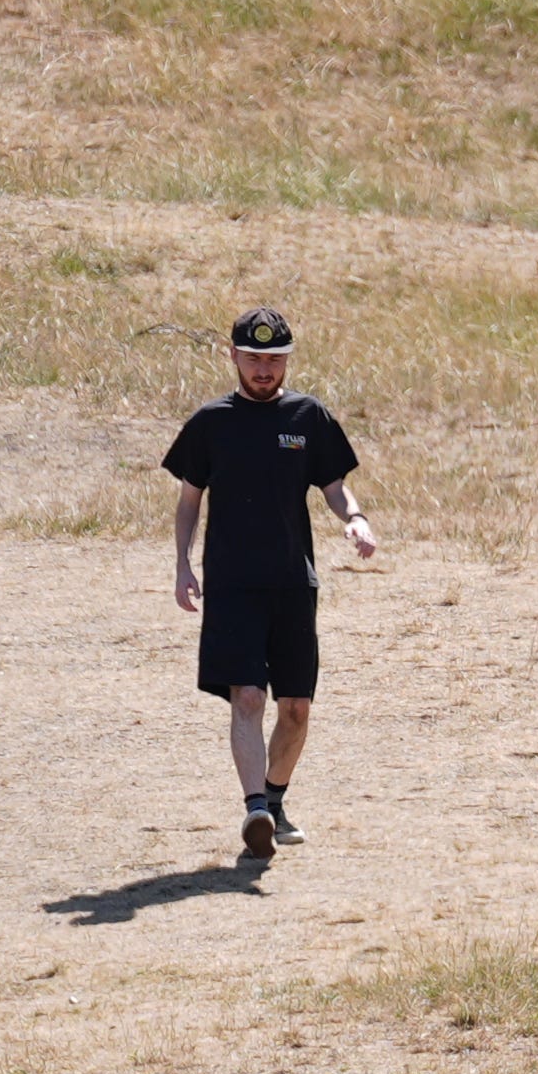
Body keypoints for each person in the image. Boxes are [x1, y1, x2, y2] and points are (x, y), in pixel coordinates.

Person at [165, 306, 374, 863]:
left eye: (275, 360)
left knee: (297, 707)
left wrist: (355, 518)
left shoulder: (308, 417)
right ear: (232, 355)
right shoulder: (210, 423)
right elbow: (189, 501)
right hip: (233, 584)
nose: (264, 369)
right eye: (254, 358)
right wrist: (183, 564)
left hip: (292, 583)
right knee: (249, 696)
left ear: (288, 361)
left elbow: (334, 486)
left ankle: (275, 802)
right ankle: (255, 809)